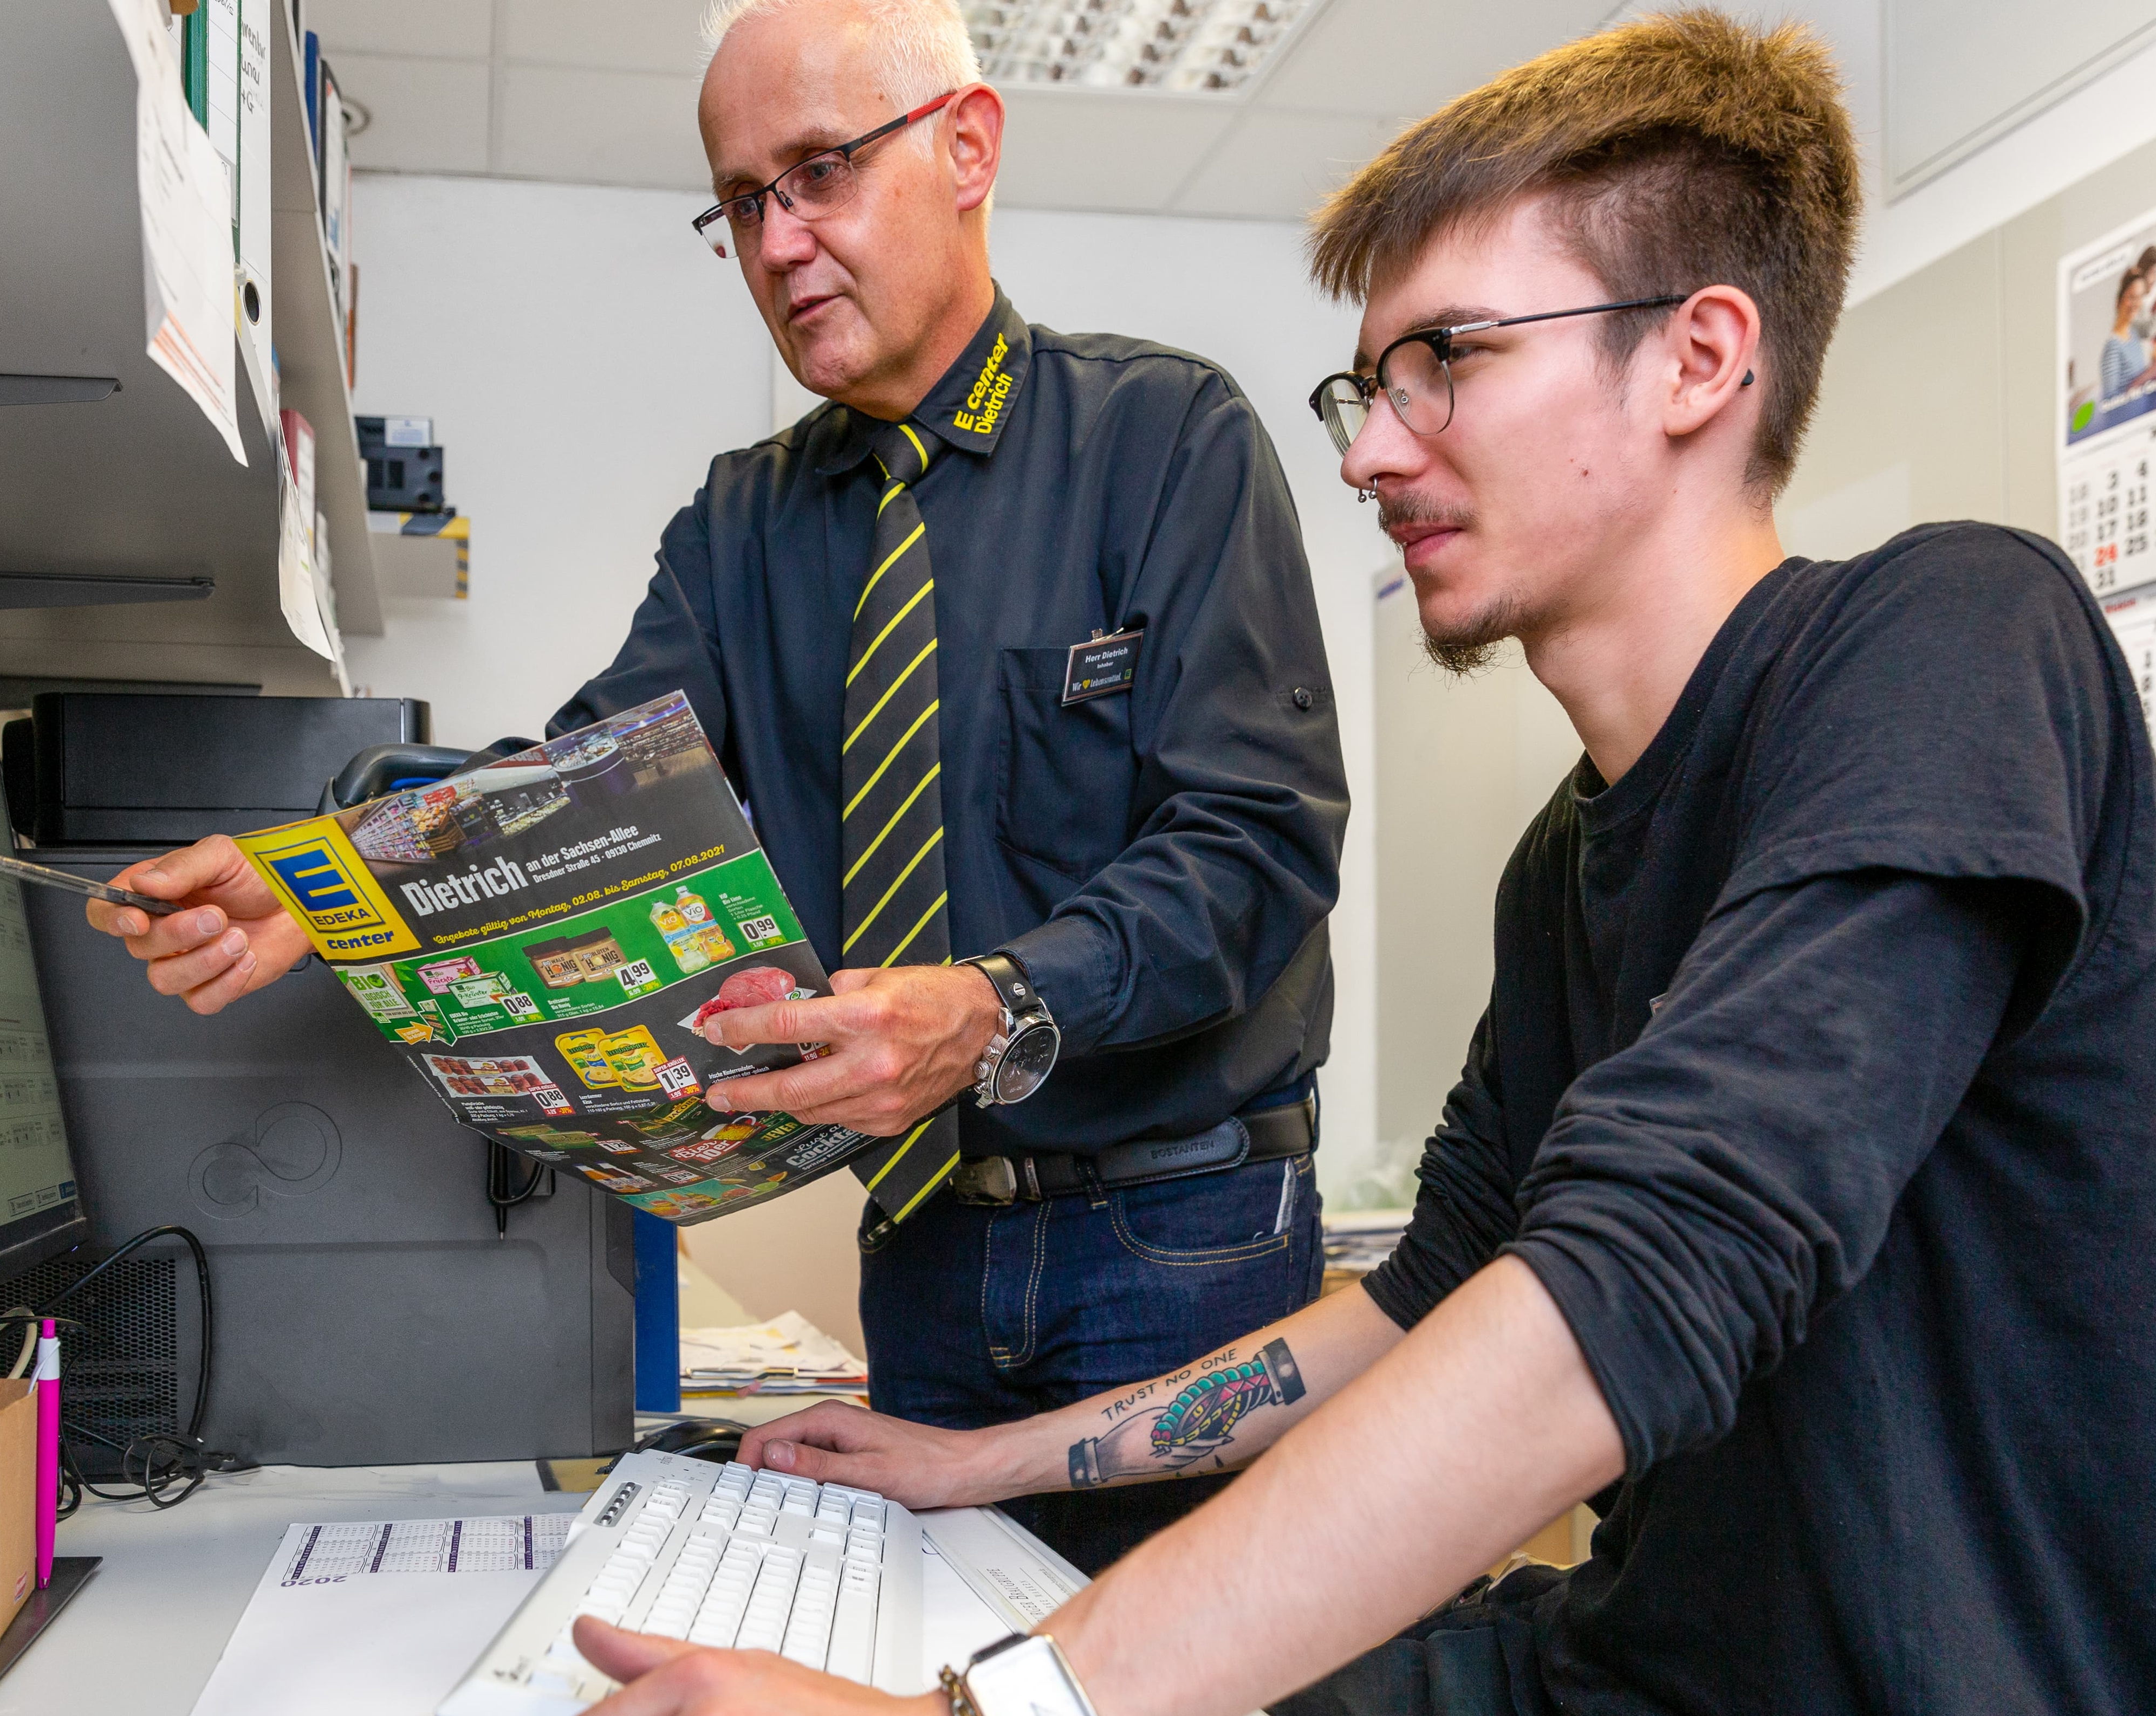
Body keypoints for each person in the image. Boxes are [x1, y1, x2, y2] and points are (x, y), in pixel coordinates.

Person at [544, 12, 2156, 1716]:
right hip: (1598, 1698)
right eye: (1371, 388)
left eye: (1447, 361)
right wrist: (993, 1467)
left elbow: (1650, 1274)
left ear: (1698, 358)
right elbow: (1427, 1299)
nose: (1369, 456)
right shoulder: (1563, 863)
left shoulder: (1955, 640)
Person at [83, 0, 1347, 1578]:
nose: (779, 239)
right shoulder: (743, 524)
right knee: (950, 1684)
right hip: (925, 1243)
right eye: (741, 200)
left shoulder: (1167, 440)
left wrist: (990, 1004)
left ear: (967, 148)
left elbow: (1255, 846)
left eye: (817, 170)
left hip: (1177, 1238)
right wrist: (328, 877)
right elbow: (573, 789)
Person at [2099, 267, 2150, 399]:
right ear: (2119, 301)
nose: (2136, 304)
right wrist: (2145, 377)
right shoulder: (2113, 346)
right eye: (2131, 297)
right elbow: (2110, 401)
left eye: (2139, 298)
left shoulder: (2133, 335)